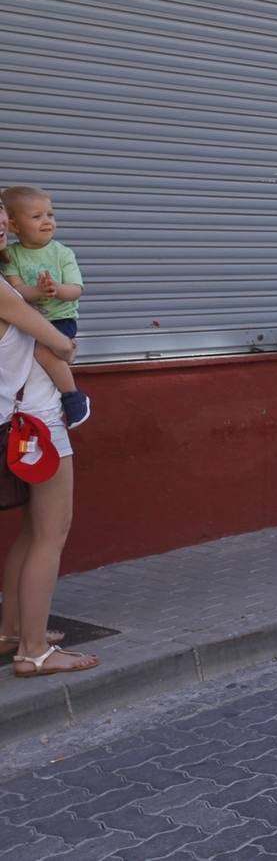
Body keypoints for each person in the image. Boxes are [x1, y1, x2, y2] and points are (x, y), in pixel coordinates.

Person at [0, 201, 97, 676]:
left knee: (31, 535)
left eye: (0, 224)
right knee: (50, 537)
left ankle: (12, 630)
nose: (1, 232)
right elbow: (61, 344)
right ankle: (34, 652)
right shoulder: (2, 291)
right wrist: (62, 343)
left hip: (12, 421)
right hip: (38, 425)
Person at [2, 186, 91, 427]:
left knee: (43, 350)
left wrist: (57, 289)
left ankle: (74, 397)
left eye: (50, 214)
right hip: (31, 324)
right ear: (14, 226)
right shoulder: (11, 255)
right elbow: (16, 290)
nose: (47, 221)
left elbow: (76, 290)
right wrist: (38, 292)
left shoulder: (62, 253)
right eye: (36, 216)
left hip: (60, 319)